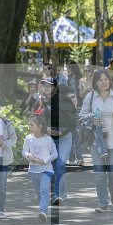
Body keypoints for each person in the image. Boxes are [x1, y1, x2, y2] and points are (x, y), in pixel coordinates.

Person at [80, 68, 113, 212]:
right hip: (96, 142)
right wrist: (91, 119)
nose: (103, 82)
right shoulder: (90, 97)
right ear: (95, 82)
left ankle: (112, 190)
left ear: (110, 80)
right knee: (99, 173)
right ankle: (103, 203)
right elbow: (82, 116)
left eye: (106, 79)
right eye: (100, 80)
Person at [41, 77, 78, 205]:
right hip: (49, 138)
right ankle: (62, 191)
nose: (46, 88)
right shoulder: (41, 101)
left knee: (61, 165)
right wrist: (46, 129)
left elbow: (74, 119)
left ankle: (56, 194)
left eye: (49, 85)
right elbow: (35, 120)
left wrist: (64, 129)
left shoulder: (67, 102)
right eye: (44, 85)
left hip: (65, 137)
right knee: (54, 167)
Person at [22, 114, 59, 222]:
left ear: (40, 126)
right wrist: (28, 156)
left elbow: (55, 154)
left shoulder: (48, 139)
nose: (29, 127)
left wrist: (45, 160)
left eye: (32, 125)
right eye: (29, 124)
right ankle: (42, 212)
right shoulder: (28, 138)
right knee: (39, 193)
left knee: (44, 190)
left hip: (46, 170)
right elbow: (24, 151)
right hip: (33, 170)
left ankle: (42, 211)